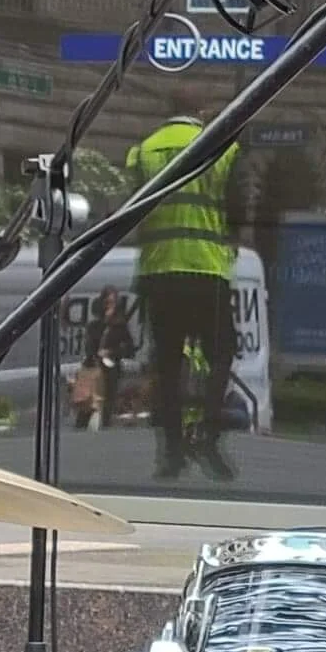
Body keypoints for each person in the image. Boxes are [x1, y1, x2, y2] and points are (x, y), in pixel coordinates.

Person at [127, 90, 245, 481]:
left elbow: (131, 212)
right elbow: (239, 209)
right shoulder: (221, 148)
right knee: (222, 353)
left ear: (168, 110)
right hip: (207, 272)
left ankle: (172, 452)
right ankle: (208, 435)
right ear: (199, 111)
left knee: (168, 366)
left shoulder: (144, 150)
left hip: (160, 272)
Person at [77, 285, 137, 429]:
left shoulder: (120, 327)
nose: (109, 306)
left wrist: (111, 352)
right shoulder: (94, 326)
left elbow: (129, 349)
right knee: (87, 403)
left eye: (112, 303)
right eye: (106, 302)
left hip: (111, 369)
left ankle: (104, 427)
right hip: (93, 368)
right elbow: (88, 346)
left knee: (107, 403)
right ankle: (81, 428)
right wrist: (94, 354)